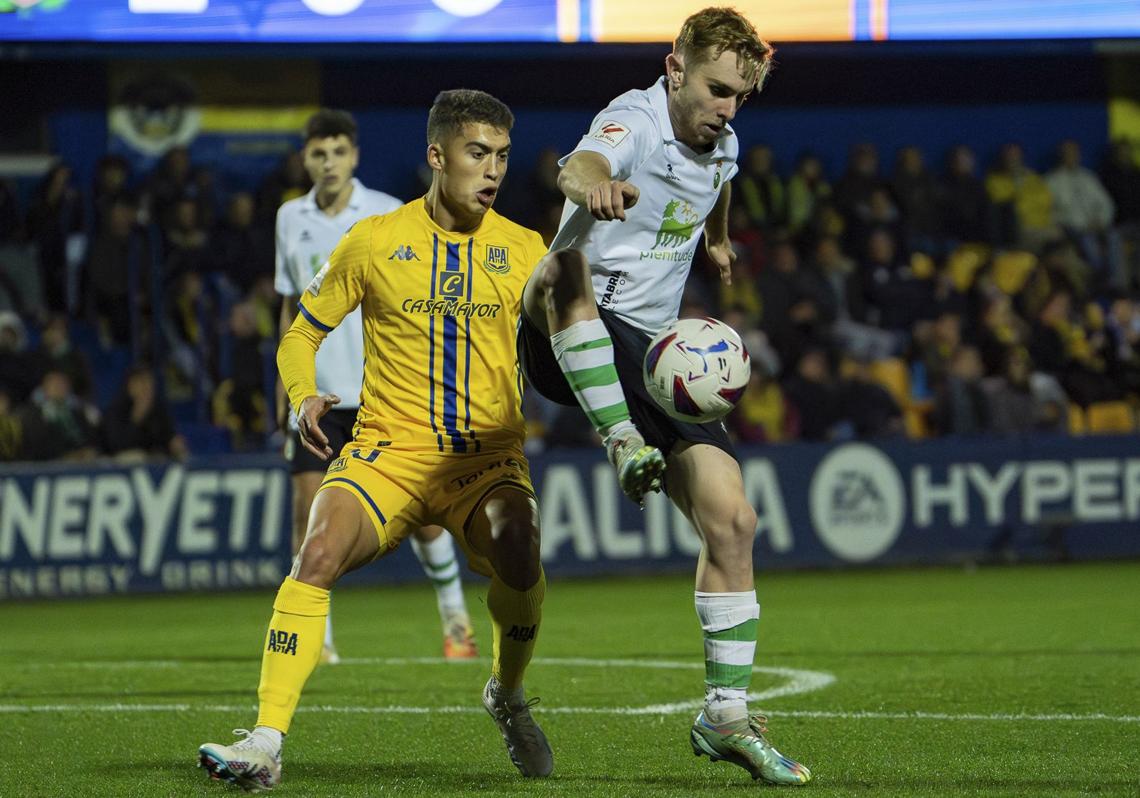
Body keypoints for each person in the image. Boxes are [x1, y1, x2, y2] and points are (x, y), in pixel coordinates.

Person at [199, 90, 553, 790]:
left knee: (519, 549)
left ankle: (507, 695)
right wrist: (303, 394)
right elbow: (299, 333)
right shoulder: (373, 240)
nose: (493, 170)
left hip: (483, 461)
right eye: (478, 153)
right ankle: (265, 741)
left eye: (503, 156)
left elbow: (566, 347)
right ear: (437, 155)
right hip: (387, 453)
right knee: (316, 551)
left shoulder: (526, 249)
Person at [517, 7, 810, 785]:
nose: (727, 108)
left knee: (733, 520)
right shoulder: (636, 119)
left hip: (650, 356)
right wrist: (598, 187)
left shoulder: (724, 142)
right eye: (716, 89)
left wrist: (716, 239)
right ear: (676, 70)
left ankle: (726, 716)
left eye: (739, 96)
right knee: (561, 264)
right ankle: (620, 442)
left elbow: (720, 180)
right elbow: (576, 167)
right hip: (565, 331)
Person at [273, 109, 478, 664]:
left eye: (338, 152)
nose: (329, 163)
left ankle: (456, 621)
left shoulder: (387, 212)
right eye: (319, 153)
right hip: (318, 398)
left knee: (423, 518)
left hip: (384, 396)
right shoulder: (290, 218)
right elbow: (291, 308)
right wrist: (287, 393)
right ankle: (318, 640)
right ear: (305, 159)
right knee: (307, 514)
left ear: (354, 156)